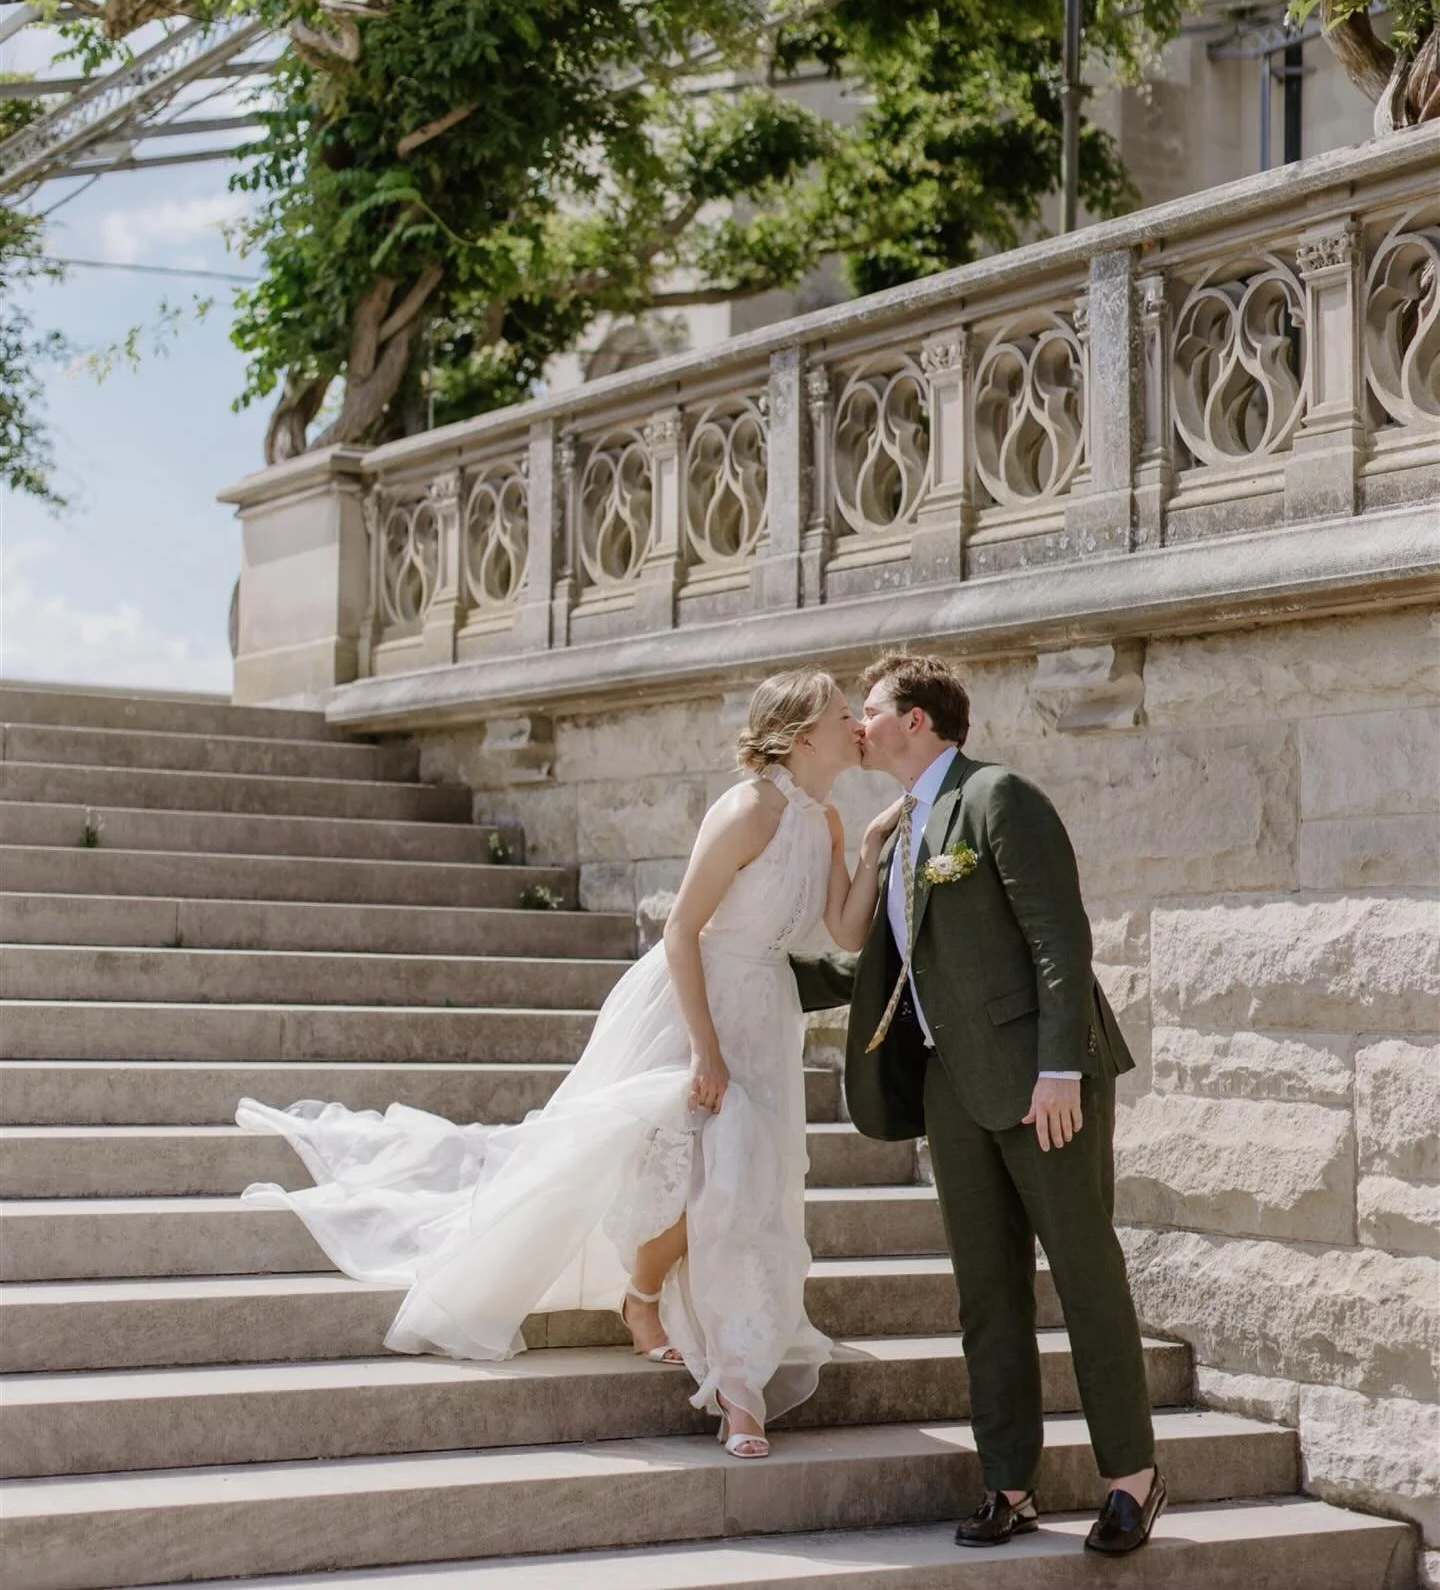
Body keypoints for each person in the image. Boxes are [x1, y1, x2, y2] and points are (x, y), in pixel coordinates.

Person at [236, 670, 897, 1460]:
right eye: (839, 711)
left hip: (766, 1014)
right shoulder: (748, 809)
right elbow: (682, 930)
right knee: (710, 1172)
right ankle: (697, 1349)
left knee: (750, 1185)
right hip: (697, 1004)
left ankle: (714, 1354)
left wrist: (868, 845)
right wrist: (706, 1051)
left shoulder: (823, 820)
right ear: (800, 733)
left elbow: (847, 934)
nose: (856, 721)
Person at [794, 652, 1165, 1555]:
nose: (858, 724)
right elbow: (881, 963)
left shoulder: (997, 797)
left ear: (917, 720)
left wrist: (1059, 1072)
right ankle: (1010, 1485)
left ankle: (1132, 1480)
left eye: (870, 709)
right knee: (986, 1295)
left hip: (1045, 1083)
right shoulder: (898, 825)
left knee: (1084, 1276)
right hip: (951, 1086)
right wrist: (748, 972)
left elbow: (1058, 939)